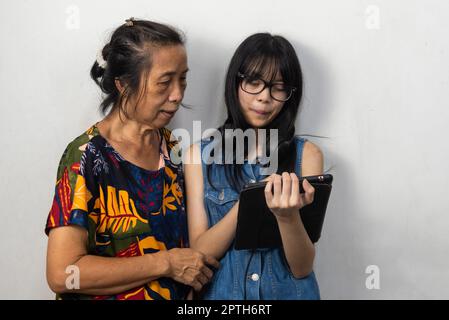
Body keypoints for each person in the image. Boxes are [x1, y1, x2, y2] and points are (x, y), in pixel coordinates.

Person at [45, 18, 219, 300]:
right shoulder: (86, 157)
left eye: (183, 79)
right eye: (164, 82)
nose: (177, 95)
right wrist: (166, 263)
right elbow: (63, 274)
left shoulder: (171, 147)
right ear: (124, 85)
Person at [184, 33, 323, 299]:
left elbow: (303, 266)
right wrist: (252, 200)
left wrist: (287, 216)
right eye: (253, 82)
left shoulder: (307, 155)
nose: (264, 97)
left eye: (278, 87)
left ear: (289, 94)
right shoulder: (198, 156)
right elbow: (199, 254)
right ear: (235, 83)